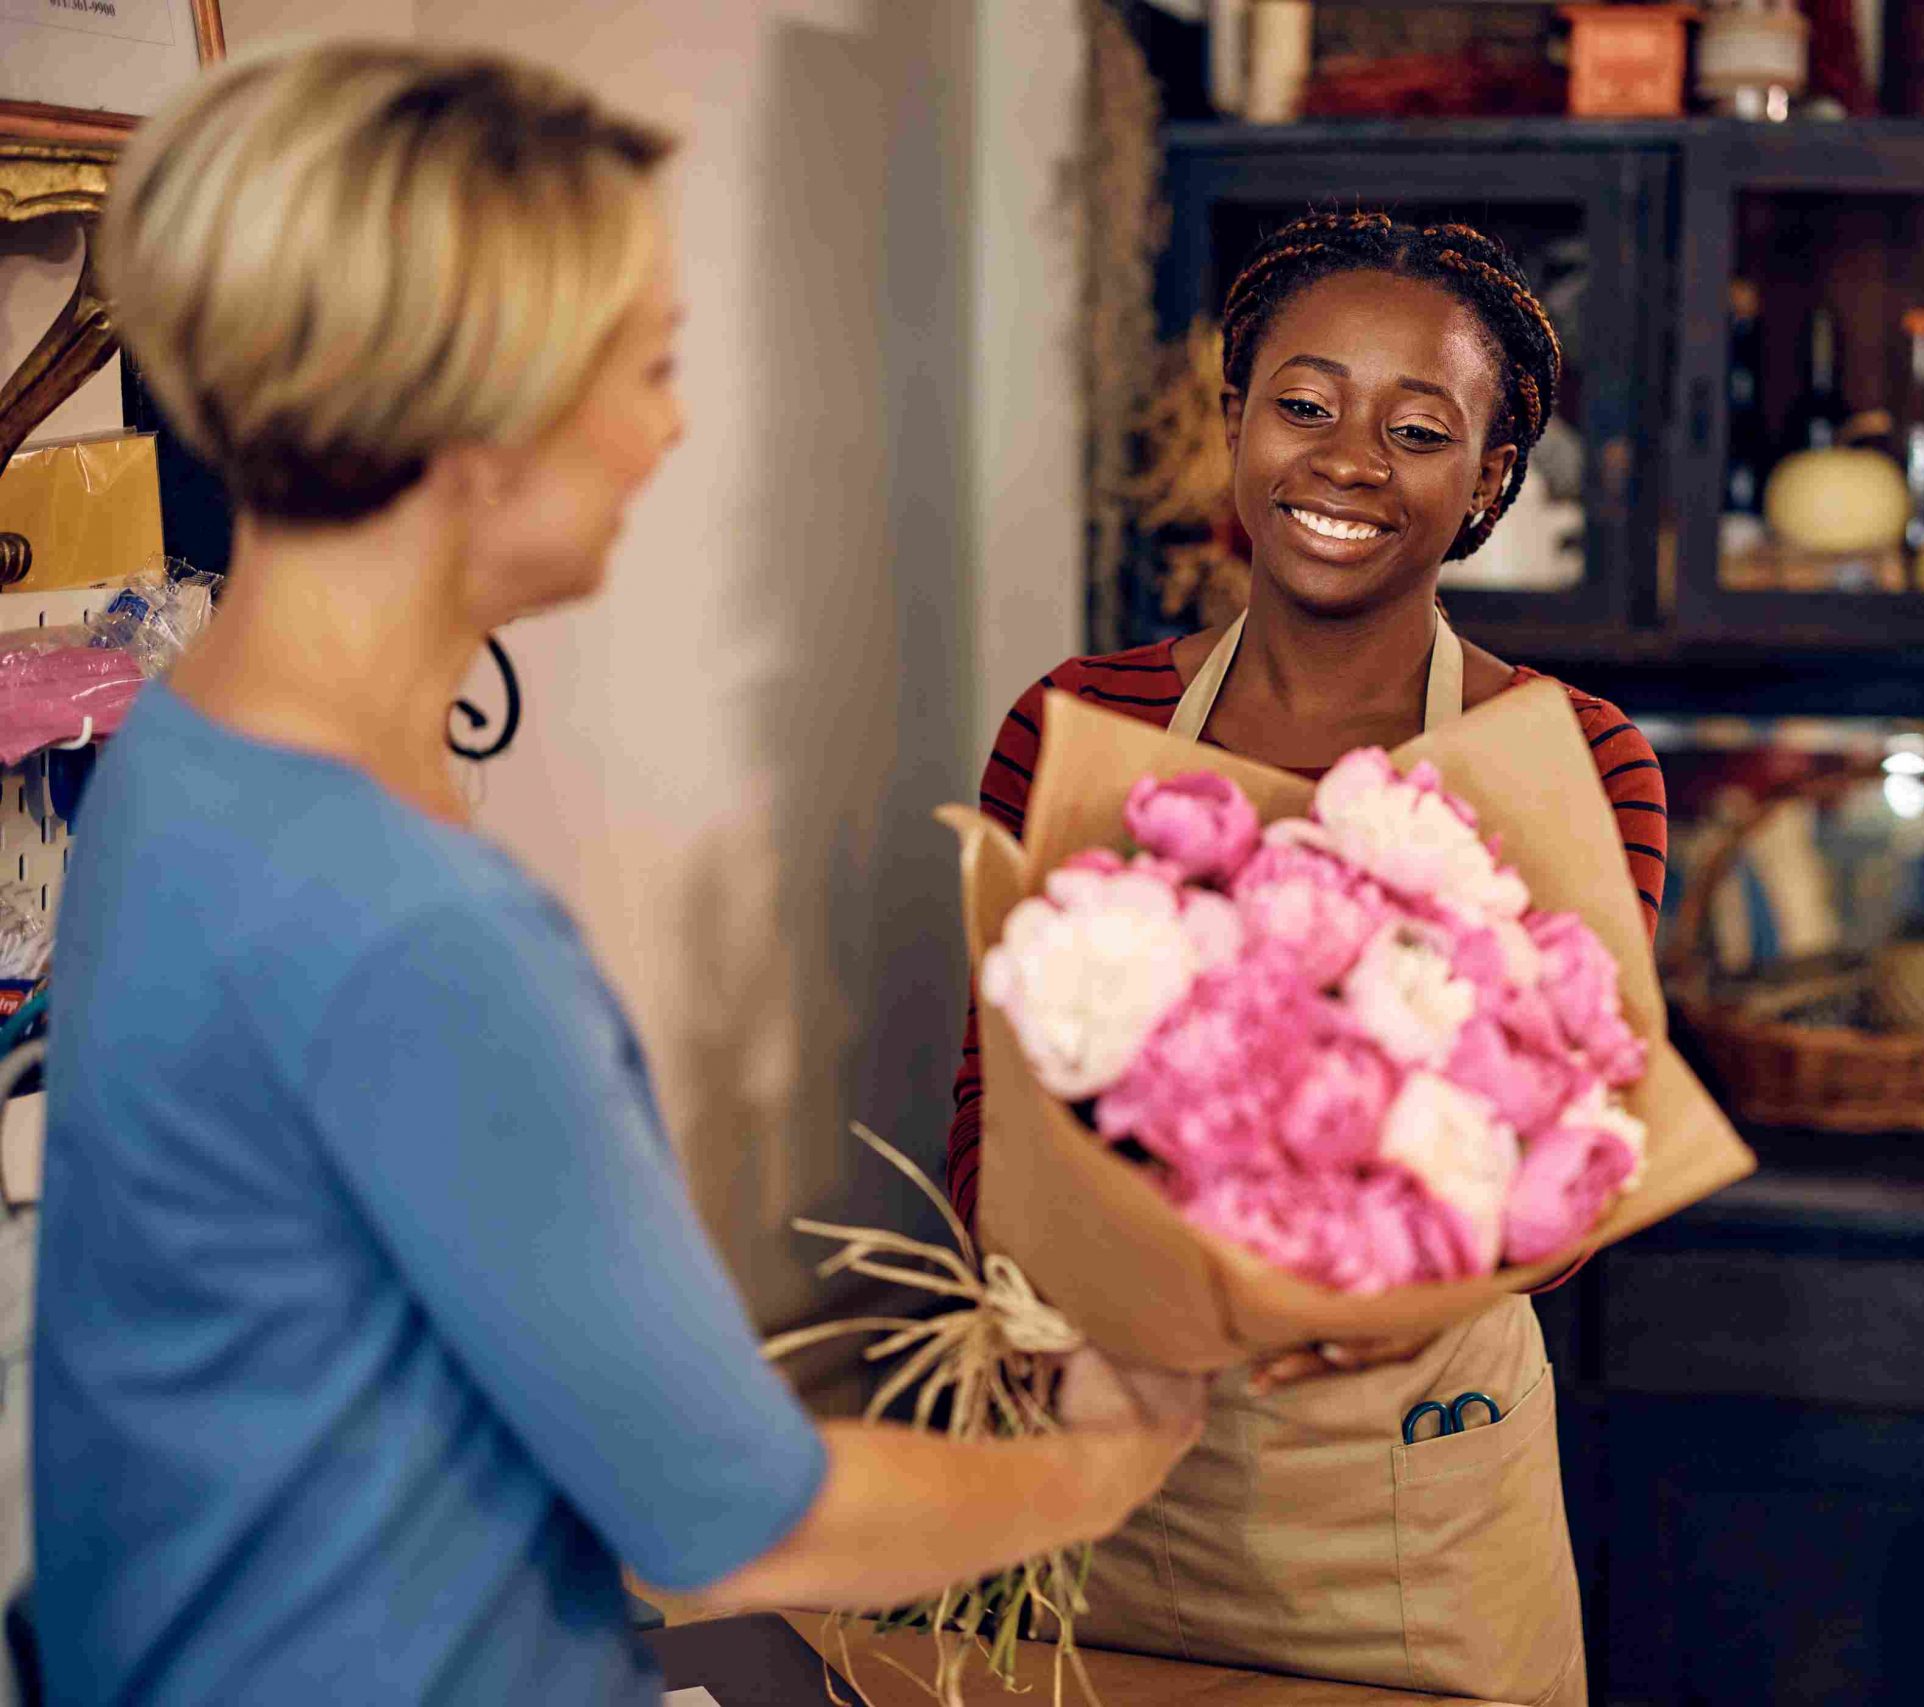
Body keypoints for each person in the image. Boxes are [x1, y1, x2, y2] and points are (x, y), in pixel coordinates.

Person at [33, 43, 1200, 1707]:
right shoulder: (413, 932)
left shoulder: (187, 754)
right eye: (646, 364)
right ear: (475, 421)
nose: (668, 427)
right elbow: (733, 1524)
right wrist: (1112, 1458)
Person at [944, 211, 1669, 1707]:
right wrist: (1037, 1314)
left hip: (1414, 1495)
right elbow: (993, 1101)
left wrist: (1351, 1301)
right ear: (1232, 427)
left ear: (1491, 481)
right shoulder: (1080, 723)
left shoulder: (1571, 758)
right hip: (1101, 1471)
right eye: (1302, 402)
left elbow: (1584, 1169)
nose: (1346, 459)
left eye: (1419, 427)